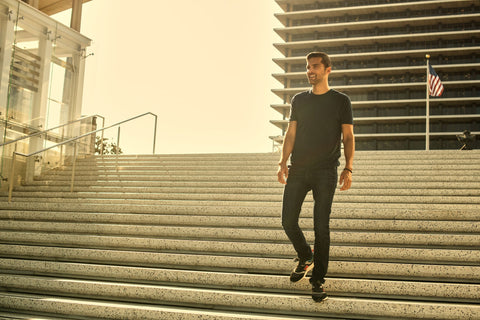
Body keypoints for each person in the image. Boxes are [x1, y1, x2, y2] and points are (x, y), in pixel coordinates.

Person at [277, 52, 355, 302]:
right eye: (308, 67)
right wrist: (282, 162)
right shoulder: (299, 100)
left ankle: (318, 279)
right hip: (298, 168)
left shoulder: (341, 101)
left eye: (315, 67)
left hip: (325, 171)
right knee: (288, 220)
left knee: (321, 226)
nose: (310, 71)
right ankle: (305, 255)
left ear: (327, 70)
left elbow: (349, 136)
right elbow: (291, 134)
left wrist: (349, 167)